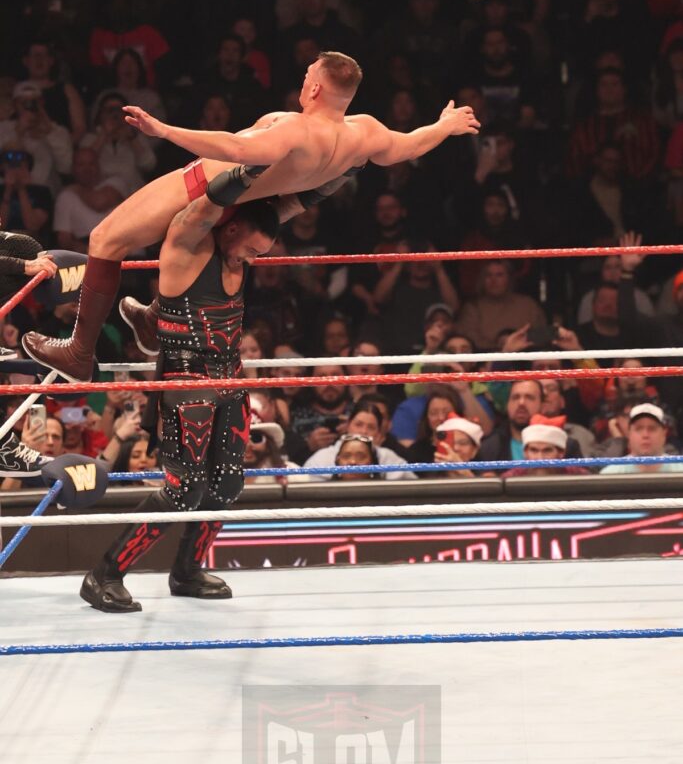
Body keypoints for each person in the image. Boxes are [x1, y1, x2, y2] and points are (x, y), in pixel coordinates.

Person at [24, 50, 480, 382]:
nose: (303, 80)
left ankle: (80, 353)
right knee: (170, 255)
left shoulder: (298, 129)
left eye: (307, 75)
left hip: (206, 184)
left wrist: (162, 129)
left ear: (316, 87)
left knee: (105, 239)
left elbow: (236, 147)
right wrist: (445, 126)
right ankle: (150, 322)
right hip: (251, 205)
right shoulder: (364, 133)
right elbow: (409, 144)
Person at [80, 194, 280, 613]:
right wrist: (245, 168)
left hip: (230, 377)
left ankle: (187, 571)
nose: (255, 259)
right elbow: (201, 204)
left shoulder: (239, 260)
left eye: (261, 254)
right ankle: (105, 574)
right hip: (187, 380)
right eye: (251, 248)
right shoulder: (190, 249)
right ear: (231, 228)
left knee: (227, 483)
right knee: (183, 487)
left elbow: (295, 202)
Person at [600, 402, 682, 474]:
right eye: (639, 428)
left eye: (652, 428)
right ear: (629, 434)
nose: (645, 435)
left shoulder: (680, 472)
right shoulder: (611, 475)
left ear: (664, 434)